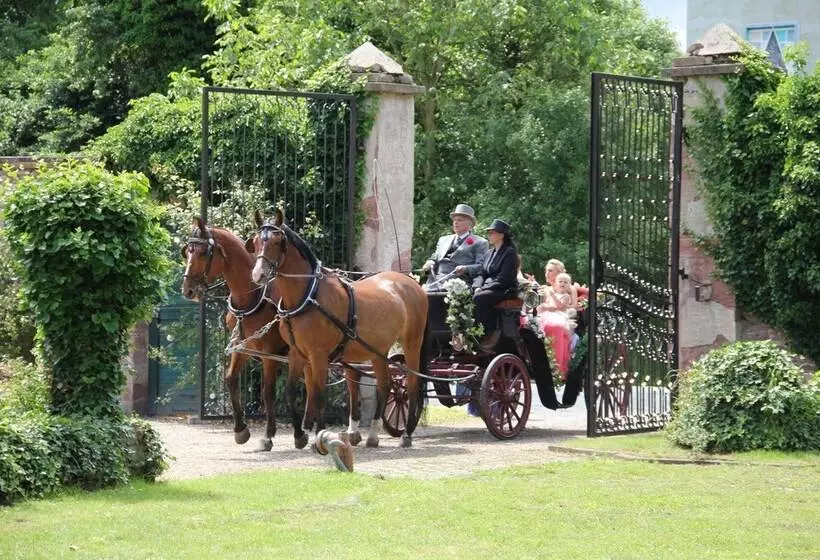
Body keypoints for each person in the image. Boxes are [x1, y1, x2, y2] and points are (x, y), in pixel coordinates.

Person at [465, 219, 519, 351]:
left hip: (503, 289)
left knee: (480, 298)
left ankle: (484, 332)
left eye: (492, 233)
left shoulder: (510, 253)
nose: (489, 235)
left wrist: (483, 288)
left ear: (501, 235)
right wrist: (477, 286)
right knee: (467, 295)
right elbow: (481, 273)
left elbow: (505, 278)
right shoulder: (489, 253)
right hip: (488, 288)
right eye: (488, 233)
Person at [422, 204, 488, 291]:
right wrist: (431, 261)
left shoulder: (480, 242)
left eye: (460, 220)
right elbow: (436, 255)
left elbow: (481, 266)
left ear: (469, 224)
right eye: (454, 220)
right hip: (435, 281)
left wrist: (466, 268)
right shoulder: (443, 239)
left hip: (458, 283)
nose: (456, 222)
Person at [537, 268, 577, 379]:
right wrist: (542, 307)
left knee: (555, 325)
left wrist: (549, 301)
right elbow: (547, 305)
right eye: (560, 281)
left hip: (559, 315)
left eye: (565, 282)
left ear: (569, 285)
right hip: (548, 315)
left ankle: (557, 369)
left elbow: (559, 306)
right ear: (556, 283)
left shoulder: (566, 296)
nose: (562, 284)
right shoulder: (551, 294)